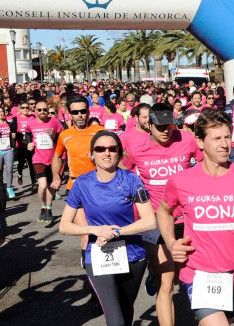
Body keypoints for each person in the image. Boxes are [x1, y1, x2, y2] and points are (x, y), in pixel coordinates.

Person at [157, 108, 234, 326]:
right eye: (216, 138)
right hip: (198, 274)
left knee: (226, 321)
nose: (224, 144)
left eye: (227, 137)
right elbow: (164, 211)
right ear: (200, 142)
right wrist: (171, 242)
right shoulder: (181, 181)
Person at [59, 131, 156, 326]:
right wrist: (95, 230)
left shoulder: (131, 180)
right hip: (99, 255)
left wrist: (115, 231)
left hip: (133, 254)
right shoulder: (82, 184)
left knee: (126, 310)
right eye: (100, 149)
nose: (107, 153)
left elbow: (149, 222)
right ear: (91, 154)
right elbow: (64, 226)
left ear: (119, 154)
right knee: (116, 320)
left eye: (113, 149)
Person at [123, 103, 203, 326]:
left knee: (183, 277)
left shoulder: (186, 139)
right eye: (160, 127)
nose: (166, 131)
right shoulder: (137, 148)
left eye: (169, 125)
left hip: (187, 220)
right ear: (149, 125)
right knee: (166, 282)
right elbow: (121, 173)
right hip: (156, 223)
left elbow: (206, 165)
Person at [51, 95, 105, 266]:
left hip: (101, 187)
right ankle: (90, 264)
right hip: (76, 187)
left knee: (103, 231)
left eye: (83, 111)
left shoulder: (101, 132)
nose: (80, 115)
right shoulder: (65, 135)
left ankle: (106, 265)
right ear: (69, 114)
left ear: (88, 112)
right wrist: (56, 176)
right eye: (76, 112)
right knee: (86, 233)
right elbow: (57, 156)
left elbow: (116, 155)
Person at [26, 100, 63, 223]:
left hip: (53, 159)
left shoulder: (54, 121)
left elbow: (61, 137)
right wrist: (29, 144)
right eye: (39, 110)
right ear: (35, 111)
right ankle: (43, 206)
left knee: (51, 186)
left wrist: (53, 135)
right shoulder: (31, 123)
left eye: (45, 109)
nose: (42, 112)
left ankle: (49, 208)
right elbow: (27, 134)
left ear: (48, 110)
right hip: (38, 159)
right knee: (42, 185)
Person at [12, 100, 37, 188]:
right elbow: (13, 132)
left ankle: (34, 183)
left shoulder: (33, 117)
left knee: (31, 163)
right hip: (20, 145)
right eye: (23, 108)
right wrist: (18, 136)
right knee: (21, 162)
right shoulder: (16, 118)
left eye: (27, 107)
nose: (26, 109)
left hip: (30, 144)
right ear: (20, 109)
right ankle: (19, 174)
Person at [0, 106, 15, 199]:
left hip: (9, 149)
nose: (1, 113)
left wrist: (13, 136)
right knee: (0, 171)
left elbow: (13, 134)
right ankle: (1, 190)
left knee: (9, 169)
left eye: (2, 111)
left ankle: (9, 188)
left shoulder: (9, 122)